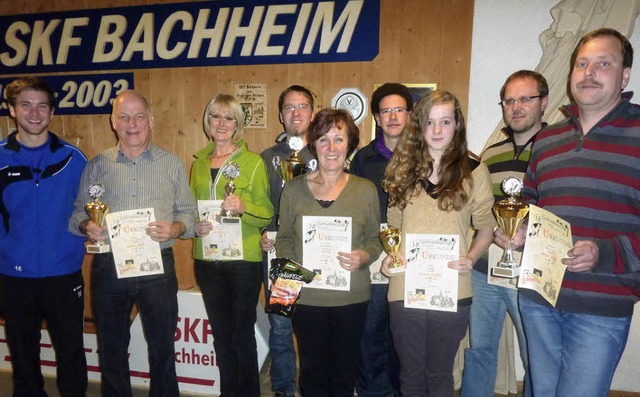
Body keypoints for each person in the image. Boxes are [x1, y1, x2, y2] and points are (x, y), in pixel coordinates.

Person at [495, 28, 640, 397]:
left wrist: (604, 252)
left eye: (603, 63)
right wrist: (518, 229)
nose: (589, 72)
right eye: (582, 63)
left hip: (599, 306)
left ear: (624, 76)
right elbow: (529, 203)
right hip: (538, 298)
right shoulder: (548, 139)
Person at [69, 90, 197, 397]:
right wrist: (89, 224)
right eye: (124, 117)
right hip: (109, 268)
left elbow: (190, 216)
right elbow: (76, 215)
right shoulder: (97, 165)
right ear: (113, 122)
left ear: (151, 120)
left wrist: (175, 228)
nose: (132, 124)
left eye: (139, 116)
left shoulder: (172, 164)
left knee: (163, 347)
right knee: (111, 348)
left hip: (157, 268)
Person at [381, 90, 495, 397]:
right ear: (418, 126)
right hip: (406, 286)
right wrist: (390, 256)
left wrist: (471, 257)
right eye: (429, 122)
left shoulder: (474, 170)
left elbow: (486, 227)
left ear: (457, 125)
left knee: (441, 374)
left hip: (453, 286)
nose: (437, 130)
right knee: (411, 375)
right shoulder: (401, 167)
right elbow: (394, 225)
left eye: (445, 121)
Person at [276, 108, 382, 397]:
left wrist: (365, 256)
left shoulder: (365, 190)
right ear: (314, 145)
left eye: (339, 139)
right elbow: (283, 239)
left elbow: (375, 239)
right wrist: (295, 265)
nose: (331, 148)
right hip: (308, 296)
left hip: (351, 297)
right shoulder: (294, 190)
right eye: (323, 139)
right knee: (311, 373)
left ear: (350, 144)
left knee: (343, 372)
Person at [460, 70, 549, 397]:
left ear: (544, 102)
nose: (516, 107)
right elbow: (480, 209)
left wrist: (530, 231)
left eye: (525, 99)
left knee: (536, 354)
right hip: (486, 269)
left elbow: (562, 209)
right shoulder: (491, 154)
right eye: (509, 100)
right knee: (479, 349)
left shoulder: (558, 149)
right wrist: (493, 227)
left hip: (532, 272)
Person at [0, 76, 88, 396]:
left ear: (51, 112)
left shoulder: (74, 159)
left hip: (64, 275)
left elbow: (88, 211)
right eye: (25, 105)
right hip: (13, 277)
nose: (34, 113)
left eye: (42, 106)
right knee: (23, 357)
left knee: (72, 354)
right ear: (11, 110)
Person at [191, 93, 273, 397]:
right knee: (221, 337)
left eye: (229, 118)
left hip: (243, 261)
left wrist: (243, 206)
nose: (221, 123)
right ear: (208, 122)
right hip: (208, 260)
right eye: (216, 116)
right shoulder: (199, 163)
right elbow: (192, 209)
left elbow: (266, 212)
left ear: (238, 124)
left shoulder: (252, 163)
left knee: (241, 335)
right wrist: (195, 226)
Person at [351, 83, 413, 397]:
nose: (392, 116)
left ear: (410, 114)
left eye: (398, 109)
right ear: (376, 117)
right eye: (385, 111)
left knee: (403, 333)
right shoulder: (363, 159)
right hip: (375, 257)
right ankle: (373, 391)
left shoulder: (426, 156)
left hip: (413, 256)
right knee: (371, 330)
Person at [260, 85, 316, 397]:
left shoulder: (327, 152)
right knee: (281, 328)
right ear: (281, 115)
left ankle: (312, 388)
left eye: (303, 106)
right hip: (282, 260)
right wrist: (263, 235)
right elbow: (260, 206)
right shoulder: (266, 159)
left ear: (312, 113)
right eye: (290, 107)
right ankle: (283, 390)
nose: (296, 113)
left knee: (313, 328)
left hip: (318, 256)